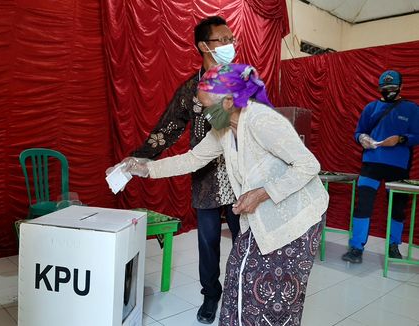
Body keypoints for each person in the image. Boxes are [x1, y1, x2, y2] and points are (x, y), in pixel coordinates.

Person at [120, 63, 329, 325]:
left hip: (297, 219)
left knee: (275, 296)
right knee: (238, 280)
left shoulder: (262, 121)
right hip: (262, 216)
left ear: (229, 101)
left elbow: (309, 165)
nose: (204, 114)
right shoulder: (223, 129)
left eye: (208, 107)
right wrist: (145, 168)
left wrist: (263, 193)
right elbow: (193, 159)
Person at [130, 16, 240, 324]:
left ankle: (238, 290)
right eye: (224, 39)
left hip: (240, 175)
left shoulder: (244, 80)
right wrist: (138, 159)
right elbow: (166, 129)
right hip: (204, 176)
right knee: (207, 242)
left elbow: (257, 123)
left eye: (233, 39)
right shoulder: (191, 88)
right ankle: (211, 295)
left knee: (244, 239)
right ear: (204, 46)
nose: (231, 45)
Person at [342, 70, 419, 264]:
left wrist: (401, 139)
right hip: (371, 163)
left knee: (398, 208)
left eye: (393, 88)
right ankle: (356, 247)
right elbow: (359, 132)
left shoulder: (411, 109)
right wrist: (362, 138)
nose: (389, 92)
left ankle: (394, 246)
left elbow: (417, 135)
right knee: (363, 205)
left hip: (399, 167)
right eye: (384, 89)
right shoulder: (371, 108)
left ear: (401, 87)